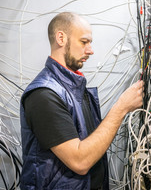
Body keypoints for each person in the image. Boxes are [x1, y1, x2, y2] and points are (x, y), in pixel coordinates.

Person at [20, 12, 143, 190]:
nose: (90, 50)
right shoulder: (44, 94)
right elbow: (80, 161)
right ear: (61, 38)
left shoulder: (75, 88)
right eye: (84, 42)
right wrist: (121, 108)